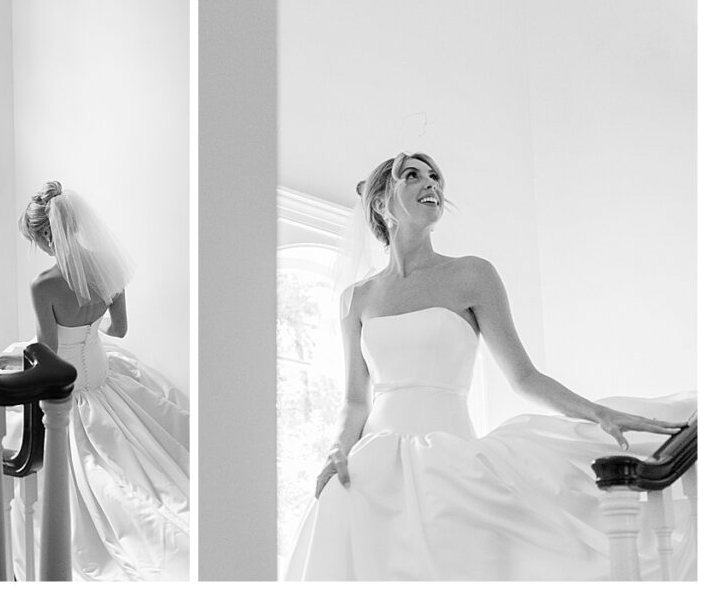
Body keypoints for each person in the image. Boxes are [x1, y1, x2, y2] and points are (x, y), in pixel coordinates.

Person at [285, 152, 696, 581]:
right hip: (373, 468)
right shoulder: (356, 298)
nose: (431, 183)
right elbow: (355, 400)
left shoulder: (472, 275)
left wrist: (599, 413)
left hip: (449, 462)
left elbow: (524, 377)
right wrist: (337, 450)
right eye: (413, 175)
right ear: (380, 202)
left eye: (435, 177)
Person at [0, 181, 189, 581]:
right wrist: (90, 330)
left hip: (69, 391)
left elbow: (47, 353)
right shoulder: (108, 266)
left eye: (35, 239)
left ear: (45, 234)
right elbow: (119, 329)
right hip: (106, 380)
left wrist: (12, 358)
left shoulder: (44, 285)